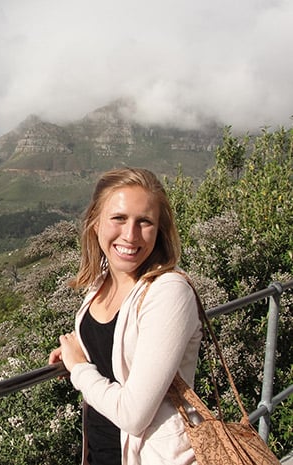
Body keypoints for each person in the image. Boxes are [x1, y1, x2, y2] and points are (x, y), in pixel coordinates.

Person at [49, 167, 203, 465]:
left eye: (144, 221)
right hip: (100, 452)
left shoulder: (168, 292)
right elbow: (117, 351)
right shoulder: (101, 283)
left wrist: (80, 369)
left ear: (159, 231)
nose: (130, 235)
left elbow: (133, 415)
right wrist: (83, 353)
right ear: (95, 223)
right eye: (118, 218)